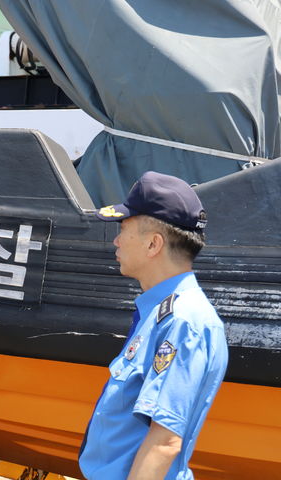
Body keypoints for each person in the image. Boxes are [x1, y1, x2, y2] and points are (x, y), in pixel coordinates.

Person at [79, 171, 228, 479]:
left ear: (153, 245)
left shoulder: (184, 322)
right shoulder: (162, 312)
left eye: (123, 228)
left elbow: (165, 442)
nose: (117, 241)